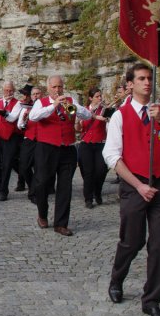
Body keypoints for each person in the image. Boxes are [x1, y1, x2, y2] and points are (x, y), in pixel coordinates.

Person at [104, 63, 160, 316]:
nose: (147, 83)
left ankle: (151, 301)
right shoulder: (120, 115)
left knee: (158, 246)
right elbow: (112, 156)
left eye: (150, 78)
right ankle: (117, 278)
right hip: (134, 184)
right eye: (141, 78)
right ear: (130, 83)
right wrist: (138, 186)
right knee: (132, 241)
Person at [29, 75, 92, 236]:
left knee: (65, 187)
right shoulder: (41, 103)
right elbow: (33, 117)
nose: (58, 90)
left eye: (60, 87)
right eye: (54, 87)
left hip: (67, 149)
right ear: (48, 88)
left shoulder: (70, 100)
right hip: (46, 148)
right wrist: (53, 106)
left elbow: (87, 116)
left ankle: (61, 223)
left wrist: (73, 107)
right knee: (42, 183)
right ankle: (42, 214)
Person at [77, 87, 109, 209]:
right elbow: (79, 129)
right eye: (97, 96)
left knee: (101, 170)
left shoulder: (104, 109)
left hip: (100, 143)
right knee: (88, 172)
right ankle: (88, 198)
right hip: (86, 144)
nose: (100, 98)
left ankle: (97, 192)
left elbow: (106, 120)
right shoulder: (83, 110)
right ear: (90, 98)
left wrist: (98, 115)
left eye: (100, 96)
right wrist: (77, 122)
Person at [18, 85, 41, 204]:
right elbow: (19, 125)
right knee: (24, 166)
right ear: (31, 96)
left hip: (42, 140)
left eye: (38, 94)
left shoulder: (46, 106)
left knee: (39, 168)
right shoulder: (26, 107)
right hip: (29, 139)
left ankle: (33, 193)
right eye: (34, 94)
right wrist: (25, 119)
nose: (36, 96)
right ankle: (33, 186)